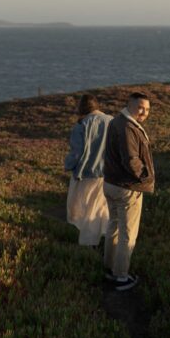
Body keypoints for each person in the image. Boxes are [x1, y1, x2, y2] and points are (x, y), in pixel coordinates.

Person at [103, 91, 154, 291]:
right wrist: (146, 178)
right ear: (129, 104)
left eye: (147, 109)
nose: (144, 112)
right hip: (127, 188)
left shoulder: (117, 122)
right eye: (140, 107)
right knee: (128, 234)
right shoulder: (127, 128)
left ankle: (109, 267)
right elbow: (131, 160)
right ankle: (121, 276)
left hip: (111, 184)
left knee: (113, 226)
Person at [64, 93, 113, 246]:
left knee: (85, 210)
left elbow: (77, 153)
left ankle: (88, 244)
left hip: (86, 174)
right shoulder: (111, 121)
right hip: (108, 174)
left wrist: (68, 165)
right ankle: (105, 238)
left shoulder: (81, 125)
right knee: (100, 208)